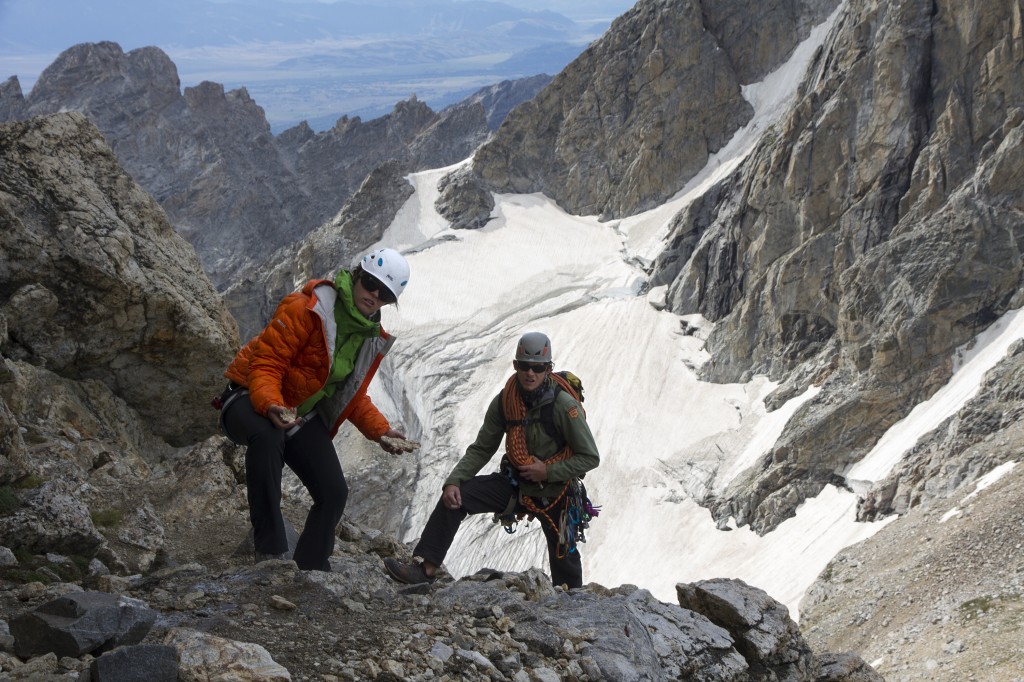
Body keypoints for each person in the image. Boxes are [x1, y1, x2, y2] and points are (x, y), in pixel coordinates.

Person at [217, 247, 412, 571]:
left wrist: (381, 431)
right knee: (268, 438)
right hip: (247, 395)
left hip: (297, 414)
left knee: (333, 491)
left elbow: (352, 394)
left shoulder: (368, 337)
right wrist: (272, 405)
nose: (374, 294)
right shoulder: (308, 308)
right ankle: (270, 551)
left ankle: (311, 566)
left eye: (385, 294)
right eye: (370, 283)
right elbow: (267, 364)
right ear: (356, 275)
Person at [384, 332, 599, 588]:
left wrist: (548, 471)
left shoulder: (564, 406)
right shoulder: (505, 401)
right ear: (515, 365)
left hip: (556, 490)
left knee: (565, 556)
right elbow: (482, 448)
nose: (530, 373)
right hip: (516, 485)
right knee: (456, 498)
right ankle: (426, 569)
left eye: (538, 368)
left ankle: (572, 603)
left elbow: (589, 456)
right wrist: (453, 481)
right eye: (524, 366)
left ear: (548, 369)